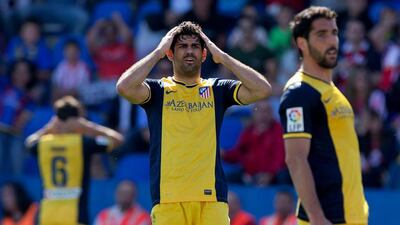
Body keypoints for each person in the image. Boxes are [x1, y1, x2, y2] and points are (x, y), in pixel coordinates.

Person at [116, 21, 271, 225]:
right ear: (170, 54)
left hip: (211, 198)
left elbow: (262, 89)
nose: (190, 51)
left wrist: (222, 57)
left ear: (204, 54)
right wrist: (157, 52)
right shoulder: (158, 91)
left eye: (195, 46)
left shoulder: (217, 89)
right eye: (182, 46)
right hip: (168, 198)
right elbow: (124, 87)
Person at [278, 6, 369, 225]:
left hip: (352, 215)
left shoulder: (331, 89)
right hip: (328, 218)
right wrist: (317, 218)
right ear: (302, 43)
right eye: (321, 34)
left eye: (334, 33)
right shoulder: (298, 93)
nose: (332, 41)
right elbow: (295, 159)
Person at [25, 96, 123, 225]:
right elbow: (117, 139)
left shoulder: (44, 144)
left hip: (47, 215)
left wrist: (48, 129)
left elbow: (28, 143)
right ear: (77, 120)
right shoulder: (83, 143)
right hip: (75, 215)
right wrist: (87, 127)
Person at [222, 100, 285, 186]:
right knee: (227, 177)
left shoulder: (278, 130)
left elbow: (280, 158)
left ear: (272, 113)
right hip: (249, 174)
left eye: (266, 111)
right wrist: (224, 154)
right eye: (259, 111)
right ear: (253, 113)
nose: (263, 115)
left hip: (272, 175)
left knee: (283, 176)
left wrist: (270, 174)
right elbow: (239, 153)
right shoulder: (249, 131)